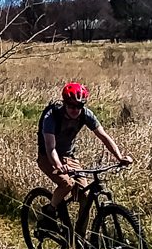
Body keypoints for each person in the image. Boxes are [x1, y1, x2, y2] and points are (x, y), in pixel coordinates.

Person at [36, 82, 133, 230]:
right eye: (71, 106)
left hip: (69, 157)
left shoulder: (86, 115)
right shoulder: (52, 116)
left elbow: (104, 137)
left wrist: (119, 157)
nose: (76, 110)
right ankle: (50, 212)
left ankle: (80, 239)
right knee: (66, 184)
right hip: (48, 156)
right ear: (64, 104)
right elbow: (50, 147)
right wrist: (58, 165)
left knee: (86, 196)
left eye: (79, 106)